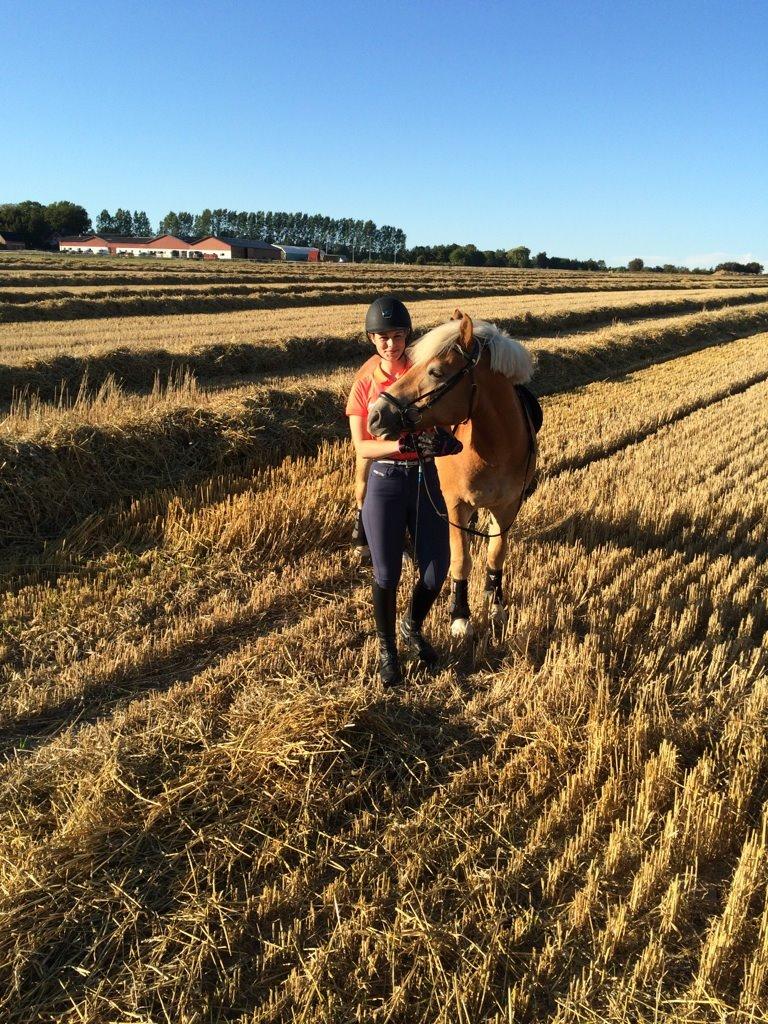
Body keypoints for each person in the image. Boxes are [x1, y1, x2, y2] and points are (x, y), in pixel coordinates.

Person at [345, 295, 463, 687]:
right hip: (386, 483)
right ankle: (388, 651)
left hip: (425, 480)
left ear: (407, 336)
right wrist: (405, 447)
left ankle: (412, 626)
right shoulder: (364, 385)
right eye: (382, 337)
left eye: (397, 336)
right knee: (387, 574)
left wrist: (445, 440)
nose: (390, 344)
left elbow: (445, 410)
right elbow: (362, 447)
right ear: (371, 339)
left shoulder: (420, 372)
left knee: (435, 571)